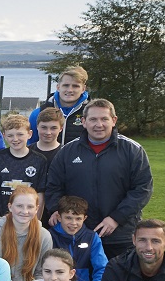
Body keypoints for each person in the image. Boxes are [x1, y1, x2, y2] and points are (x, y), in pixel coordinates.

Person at [45, 99, 153, 259]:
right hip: (79, 233)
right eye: (93, 119)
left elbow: (142, 189)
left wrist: (116, 218)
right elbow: (53, 187)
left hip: (120, 234)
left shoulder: (132, 150)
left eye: (104, 119)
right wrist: (57, 209)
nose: (99, 124)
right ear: (83, 122)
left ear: (114, 120)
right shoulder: (67, 151)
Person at [49, 196, 108, 281]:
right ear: (59, 217)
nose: (73, 223)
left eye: (78, 219)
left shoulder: (92, 237)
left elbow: (102, 268)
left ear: (85, 218)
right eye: (68, 218)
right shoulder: (49, 236)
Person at [0, 113, 48, 223]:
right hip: (3, 220)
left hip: (28, 220)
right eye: (10, 135)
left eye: (20, 134)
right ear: (4, 136)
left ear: (29, 134)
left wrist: (36, 223)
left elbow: (40, 195)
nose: (15, 139)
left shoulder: (39, 160)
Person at [29, 66, 89, 145]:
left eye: (75, 86)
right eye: (66, 85)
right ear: (58, 87)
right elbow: (30, 146)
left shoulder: (91, 114)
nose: (70, 90)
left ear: (83, 89)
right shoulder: (38, 113)